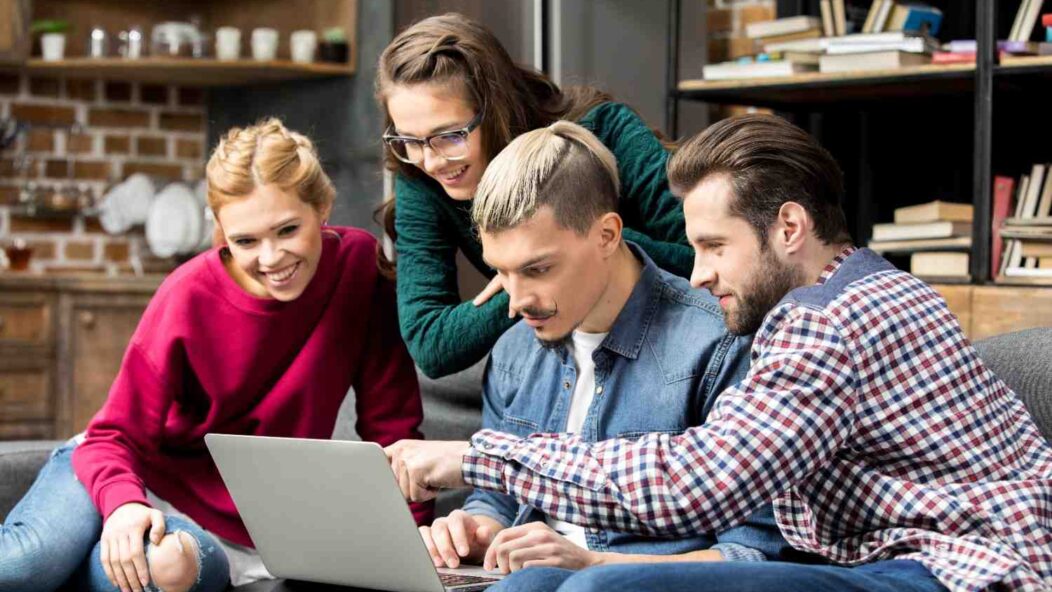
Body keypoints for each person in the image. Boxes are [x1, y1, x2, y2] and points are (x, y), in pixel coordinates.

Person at [386, 114, 1052, 592]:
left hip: (964, 571)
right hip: (921, 559)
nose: (697, 272)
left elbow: (695, 483)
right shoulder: (872, 288)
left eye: (714, 246)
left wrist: (478, 456)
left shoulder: (827, 324)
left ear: (788, 228)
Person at [0, 118, 430, 592]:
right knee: (27, 566)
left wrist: (416, 544)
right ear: (221, 231)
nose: (271, 258)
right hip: (123, 474)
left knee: (158, 571)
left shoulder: (358, 272)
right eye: (245, 241)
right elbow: (113, 434)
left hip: (230, 532)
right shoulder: (188, 295)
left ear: (322, 206)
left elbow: (393, 430)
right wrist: (123, 505)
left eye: (287, 230)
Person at [418, 120, 790, 575]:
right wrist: (473, 531)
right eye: (502, 272)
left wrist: (593, 564)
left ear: (608, 235)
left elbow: (753, 556)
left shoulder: (719, 342)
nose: (516, 302)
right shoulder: (515, 350)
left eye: (537, 269)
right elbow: (495, 499)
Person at [376, 13, 693, 378]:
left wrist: (582, 247)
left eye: (450, 135)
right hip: (563, 348)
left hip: (666, 330)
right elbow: (429, 342)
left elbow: (701, 261)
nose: (430, 161)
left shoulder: (607, 128)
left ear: (493, 110)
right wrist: (524, 281)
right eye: (409, 140)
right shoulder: (420, 176)